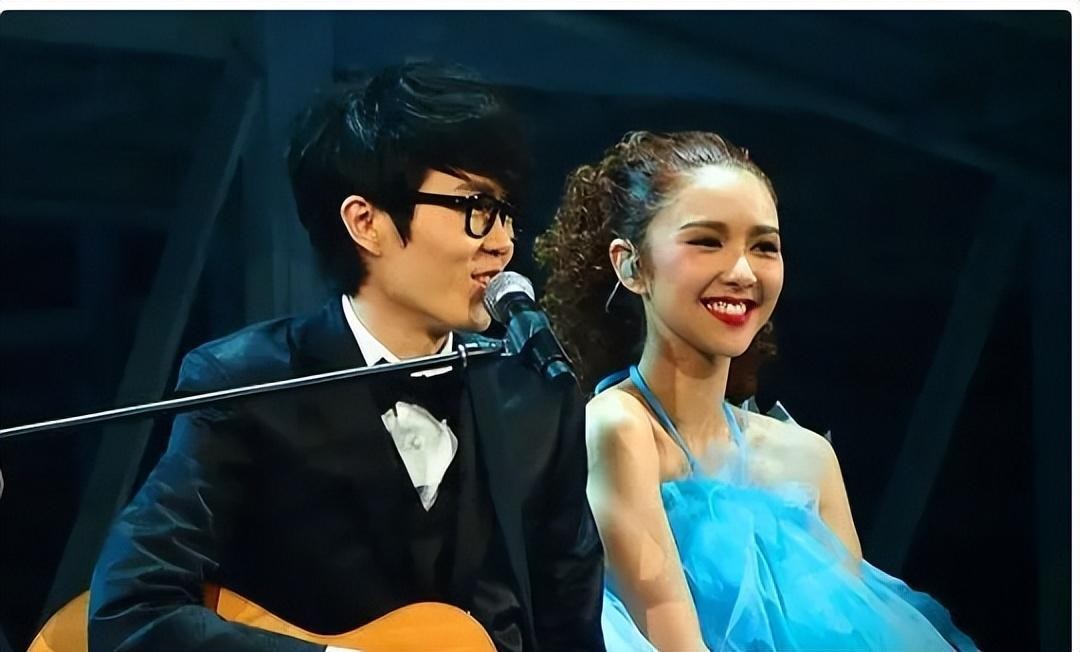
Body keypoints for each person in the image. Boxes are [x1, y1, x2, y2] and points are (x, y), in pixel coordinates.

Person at [88, 61, 604, 652]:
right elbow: (133, 605)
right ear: (366, 222)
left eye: (505, 211)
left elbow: (570, 624)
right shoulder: (247, 384)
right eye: (476, 208)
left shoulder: (535, 396)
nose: (503, 242)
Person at [535, 130, 976, 651]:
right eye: (707, 241)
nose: (742, 272)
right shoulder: (619, 428)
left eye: (764, 246)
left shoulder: (808, 459)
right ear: (632, 265)